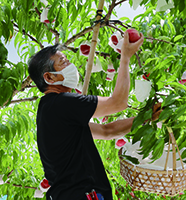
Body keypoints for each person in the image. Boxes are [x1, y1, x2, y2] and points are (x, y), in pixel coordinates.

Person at [27, 30, 144, 200]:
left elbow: (106, 131)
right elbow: (118, 102)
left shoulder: (51, 111)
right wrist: (125, 57)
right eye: (63, 62)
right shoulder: (60, 103)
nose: (70, 65)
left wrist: (147, 118)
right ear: (50, 77)